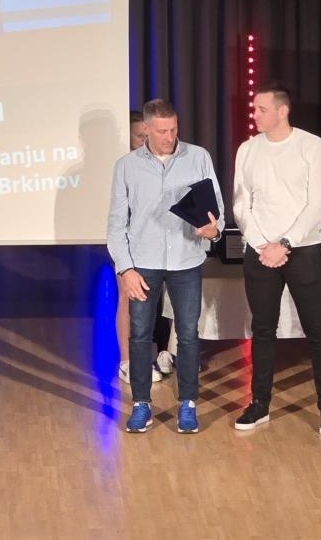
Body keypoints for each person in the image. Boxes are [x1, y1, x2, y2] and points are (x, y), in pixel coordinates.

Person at [106, 98, 222, 434]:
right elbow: (116, 225)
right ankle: (141, 404)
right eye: (161, 131)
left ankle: (188, 404)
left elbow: (216, 209)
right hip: (142, 263)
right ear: (146, 129)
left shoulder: (198, 157)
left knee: (187, 334)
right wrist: (125, 269)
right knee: (140, 334)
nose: (169, 137)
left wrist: (213, 230)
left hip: (186, 260)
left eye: (173, 129)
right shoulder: (126, 166)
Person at [232, 82, 321, 436]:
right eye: (255, 109)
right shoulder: (247, 150)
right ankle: (259, 403)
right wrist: (261, 244)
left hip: (303, 250)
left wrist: (285, 243)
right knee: (263, 329)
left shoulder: (311, 146)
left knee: (318, 330)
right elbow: (241, 203)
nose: (255, 115)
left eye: (261, 109)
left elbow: (318, 204)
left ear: (283, 110)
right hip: (260, 251)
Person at [115, 110, 175, 385]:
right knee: (128, 296)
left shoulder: (159, 163)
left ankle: (164, 351)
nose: (144, 140)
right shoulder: (123, 166)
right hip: (128, 240)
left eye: (146, 134)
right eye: (139, 135)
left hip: (158, 240)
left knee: (161, 297)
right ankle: (127, 362)